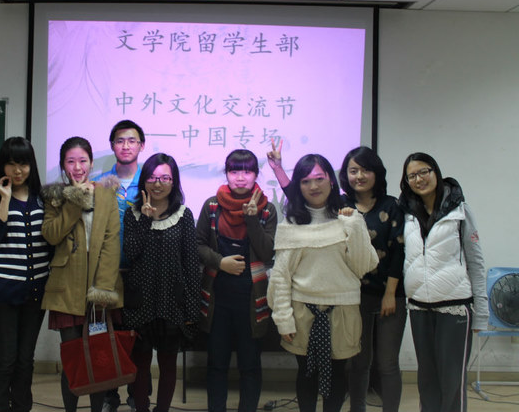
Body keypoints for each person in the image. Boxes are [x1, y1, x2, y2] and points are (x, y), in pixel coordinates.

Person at [267, 154, 378, 412]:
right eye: (305, 181)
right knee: (307, 374)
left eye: (319, 178)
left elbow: (364, 266)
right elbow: (281, 277)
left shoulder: (348, 218)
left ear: (331, 180)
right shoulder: (290, 224)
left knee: (338, 375)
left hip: (343, 311)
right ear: (298, 186)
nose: (313, 186)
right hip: (302, 311)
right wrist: (283, 319)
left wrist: (355, 226)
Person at [398, 152, 487, 412]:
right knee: (427, 379)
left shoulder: (460, 211)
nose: (419, 179)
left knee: (451, 380)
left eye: (424, 172)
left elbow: (476, 262)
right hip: (419, 307)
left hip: (455, 306)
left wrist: (481, 313)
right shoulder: (406, 213)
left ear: (435, 171)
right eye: (412, 176)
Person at [40, 136, 123, 412]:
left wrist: (103, 289)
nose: (77, 167)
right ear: (63, 165)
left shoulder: (106, 194)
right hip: (66, 288)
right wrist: (75, 201)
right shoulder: (55, 197)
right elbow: (52, 235)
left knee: (98, 359)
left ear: (91, 163)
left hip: (99, 288)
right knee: (73, 359)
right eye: (70, 161)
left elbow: (112, 241)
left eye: (83, 161)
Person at [196, 149, 278, 412]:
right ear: (226, 173)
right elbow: (197, 245)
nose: (240, 177)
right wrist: (220, 262)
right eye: (234, 171)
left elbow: (267, 252)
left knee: (250, 364)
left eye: (247, 171)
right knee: (216, 363)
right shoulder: (212, 206)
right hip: (218, 296)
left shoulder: (267, 210)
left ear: (256, 174)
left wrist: (251, 219)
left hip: (251, 297)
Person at [0, 136, 53, 412]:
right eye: (11, 164)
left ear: (31, 165)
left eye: (23, 163)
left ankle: (22, 407)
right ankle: (1, 407)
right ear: (2, 165)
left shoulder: (43, 199)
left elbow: (52, 242)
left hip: (35, 293)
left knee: (25, 359)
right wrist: (5, 199)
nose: (18, 170)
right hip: (3, 293)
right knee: (5, 358)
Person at [122, 153, 201, 412]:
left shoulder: (183, 215)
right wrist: (145, 219)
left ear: (173, 181)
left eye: (165, 178)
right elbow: (131, 252)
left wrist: (191, 309)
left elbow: (191, 265)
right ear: (144, 180)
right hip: (140, 303)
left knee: (168, 366)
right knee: (140, 365)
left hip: (172, 304)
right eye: (153, 178)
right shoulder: (133, 214)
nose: (158, 184)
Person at [338, 147, 406, 412]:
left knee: (387, 363)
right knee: (358, 362)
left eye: (365, 170)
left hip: (390, 294)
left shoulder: (392, 205)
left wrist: (390, 294)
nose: (359, 176)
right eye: (353, 170)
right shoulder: (340, 206)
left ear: (376, 173)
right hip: (353, 296)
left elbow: (399, 251)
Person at [93, 120, 146, 412]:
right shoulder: (101, 183)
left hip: (141, 272)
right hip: (108, 273)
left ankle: (138, 395)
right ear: (112, 145)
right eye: (120, 140)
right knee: (108, 338)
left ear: (141, 145)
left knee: (139, 341)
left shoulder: (151, 180)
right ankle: (109, 396)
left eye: (132, 140)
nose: (126, 146)